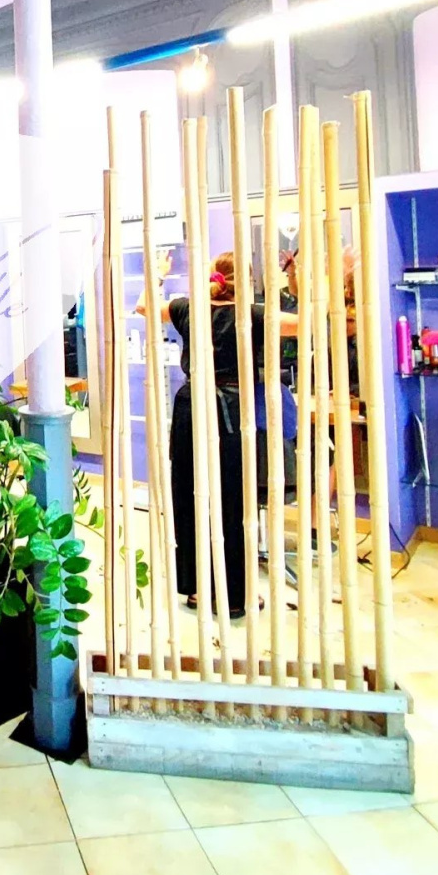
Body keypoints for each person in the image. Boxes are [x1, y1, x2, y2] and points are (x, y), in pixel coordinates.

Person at [140, 249, 296, 619]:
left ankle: (197, 588)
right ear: (246, 283)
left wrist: (158, 272)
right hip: (228, 413)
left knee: (190, 494)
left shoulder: (188, 309)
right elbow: (306, 322)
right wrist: (298, 279)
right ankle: (234, 595)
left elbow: (145, 306)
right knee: (231, 502)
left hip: (190, 408)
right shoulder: (250, 315)